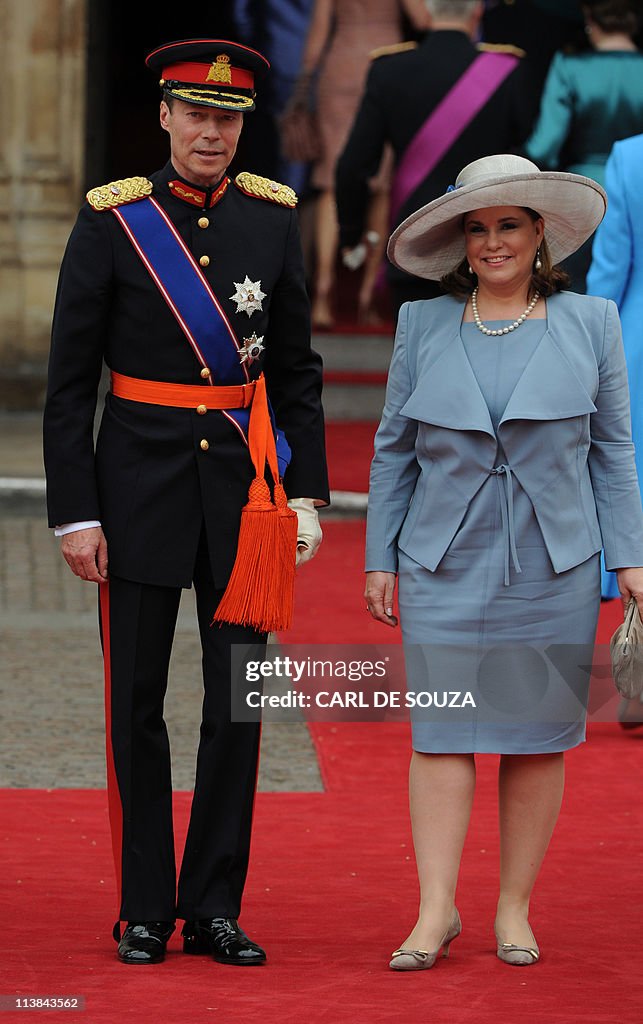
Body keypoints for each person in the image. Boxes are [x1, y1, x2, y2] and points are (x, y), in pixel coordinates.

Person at [43, 39, 329, 967]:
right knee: (136, 705)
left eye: (229, 117)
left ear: (244, 125)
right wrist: (75, 513)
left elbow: (293, 370)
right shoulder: (113, 222)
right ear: (164, 116)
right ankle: (140, 908)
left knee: (237, 707)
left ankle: (212, 906)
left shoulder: (273, 219)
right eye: (196, 114)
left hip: (244, 500)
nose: (213, 131)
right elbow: (68, 384)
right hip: (135, 492)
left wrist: (310, 493)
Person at [364, 153, 643, 968]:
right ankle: (434, 912)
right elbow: (392, 453)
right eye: (477, 228)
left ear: (538, 234)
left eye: (508, 225)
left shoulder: (590, 322)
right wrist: (379, 555)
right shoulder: (420, 324)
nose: (491, 243)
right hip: (440, 559)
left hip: (551, 562)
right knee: (441, 734)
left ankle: (512, 910)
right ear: (460, 241)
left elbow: (613, 452)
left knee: (530, 738)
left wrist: (629, 557)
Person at [335, 0, 537, 318]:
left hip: (415, 238)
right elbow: (529, 157)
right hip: (489, 243)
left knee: (417, 360)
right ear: (477, 12)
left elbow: (352, 166)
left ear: (427, 12)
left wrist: (351, 233)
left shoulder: (389, 69)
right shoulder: (507, 69)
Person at [284, 0, 430, 328]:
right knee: (380, 185)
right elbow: (422, 18)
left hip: (340, 67)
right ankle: (366, 294)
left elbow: (318, 33)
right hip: (386, 66)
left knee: (330, 182)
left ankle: (322, 289)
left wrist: (303, 85)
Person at [524, 0, 643, 292]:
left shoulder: (570, 66)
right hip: (639, 189)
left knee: (577, 296)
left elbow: (544, 145)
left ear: (589, 18)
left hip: (584, 196)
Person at [587, 134, 643, 609]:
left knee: (628, 458)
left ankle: (622, 563)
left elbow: (611, 268)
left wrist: (591, 343)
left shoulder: (631, 155)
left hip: (636, 337)